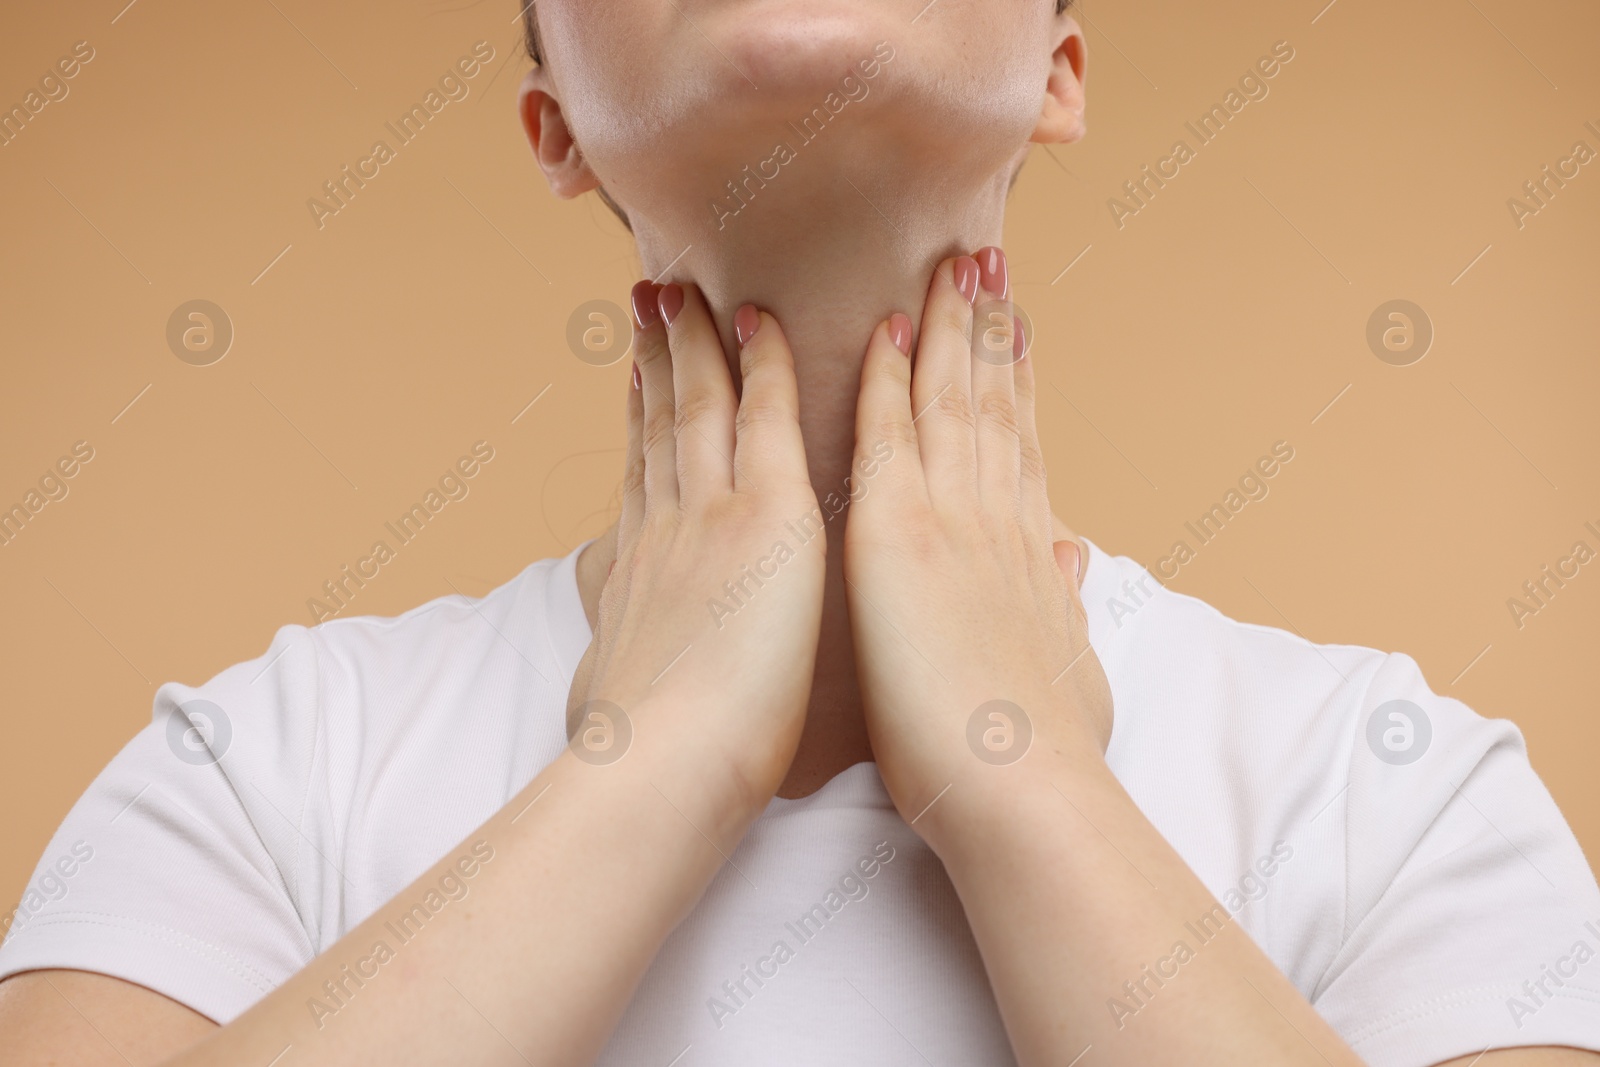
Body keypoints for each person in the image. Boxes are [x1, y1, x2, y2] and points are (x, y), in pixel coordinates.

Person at [2, 2, 1597, 1065]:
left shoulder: (1405, 792)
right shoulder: (248, 773)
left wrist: (1027, 776)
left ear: (1060, 66)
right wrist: (657, 762)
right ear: (552, 125)